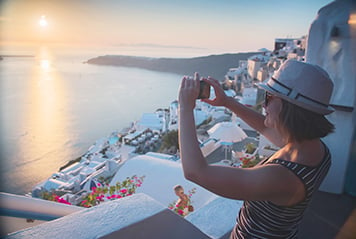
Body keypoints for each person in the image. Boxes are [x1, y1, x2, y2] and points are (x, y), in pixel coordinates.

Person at [178, 60, 335, 238]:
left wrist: (184, 108)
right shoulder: (317, 150)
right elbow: (268, 128)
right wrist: (227, 102)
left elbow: (195, 172)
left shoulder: (280, 177)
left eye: (268, 97)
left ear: (289, 108)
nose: (264, 105)